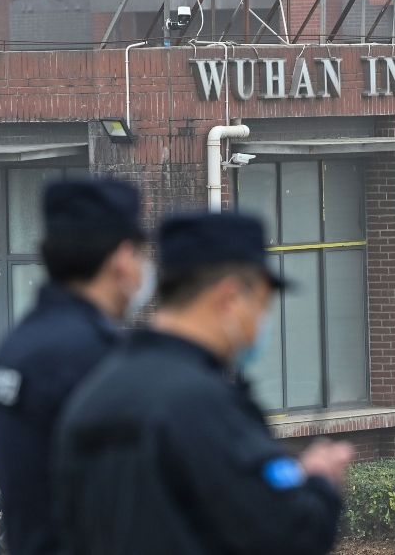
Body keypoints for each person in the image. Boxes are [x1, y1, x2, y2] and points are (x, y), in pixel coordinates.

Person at [54, 212, 353, 555]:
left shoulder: (94, 390)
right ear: (229, 299)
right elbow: (287, 533)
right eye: (261, 303)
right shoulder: (205, 404)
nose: (262, 320)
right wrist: (320, 484)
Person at [0, 178, 149, 555]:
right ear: (121, 259)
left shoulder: (16, 346)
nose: (143, 272)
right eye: (141, 256)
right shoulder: (95, 355)